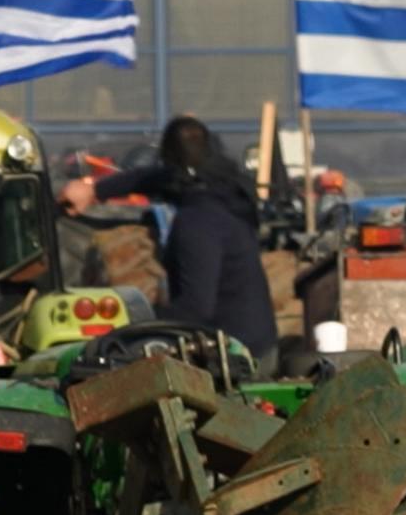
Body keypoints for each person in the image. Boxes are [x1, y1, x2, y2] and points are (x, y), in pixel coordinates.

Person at [59, 116, 279, 370]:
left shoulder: (197, 224)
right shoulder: (227, 194)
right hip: (260, 343)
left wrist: (133, 323)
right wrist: (95, 190)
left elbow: (195, 309)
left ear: (168, 159)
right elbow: (153, 178)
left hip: (234, 359)